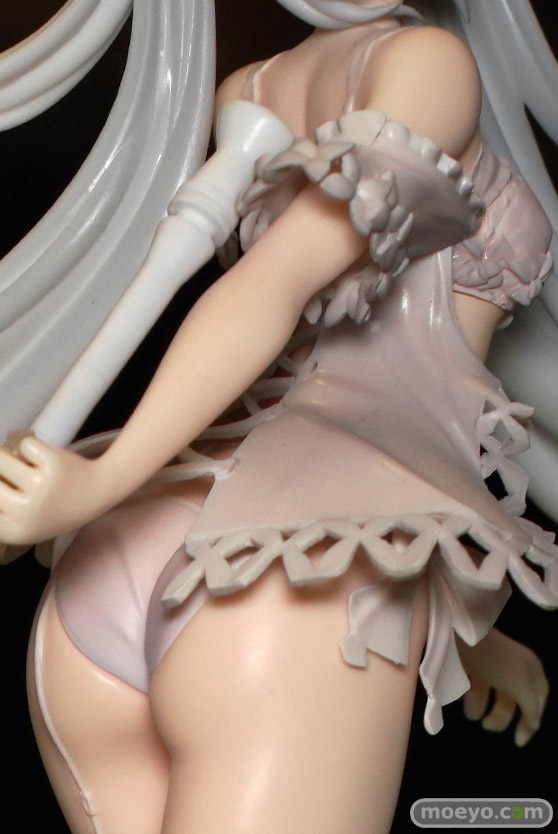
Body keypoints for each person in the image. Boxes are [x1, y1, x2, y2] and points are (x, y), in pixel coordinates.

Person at [0, 2, 556, 832]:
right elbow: (279, 294)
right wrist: (95, 480)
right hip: (294, 573)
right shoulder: (425, 61)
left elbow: (313, 371)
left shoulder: (251, 88)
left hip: (145, 558)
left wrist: (462, 635)